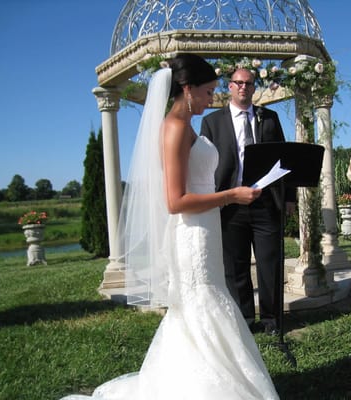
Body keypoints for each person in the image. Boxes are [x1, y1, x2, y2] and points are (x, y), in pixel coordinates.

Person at [61, 54, 279, 399]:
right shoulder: (174, 128)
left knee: (204, 304)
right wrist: (230, 196)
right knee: (201, 304)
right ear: (187, 89)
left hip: (205, 229)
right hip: (191, 232)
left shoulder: (187, 123)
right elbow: (175, 201)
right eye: (208, 92)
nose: (211, 100)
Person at [200, 67, 295, 335]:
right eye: (238, 83)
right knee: (235, 265)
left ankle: (271, 320)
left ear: (254, 88)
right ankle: (243, 319)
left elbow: (283, 159)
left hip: (265, 202)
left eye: (249, 83)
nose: (243, 87)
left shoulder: (269, 118)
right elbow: (206, 164)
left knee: (270, 262)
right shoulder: (212, 122)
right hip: (230, 203)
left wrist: (289, 197)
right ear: (229, 87)